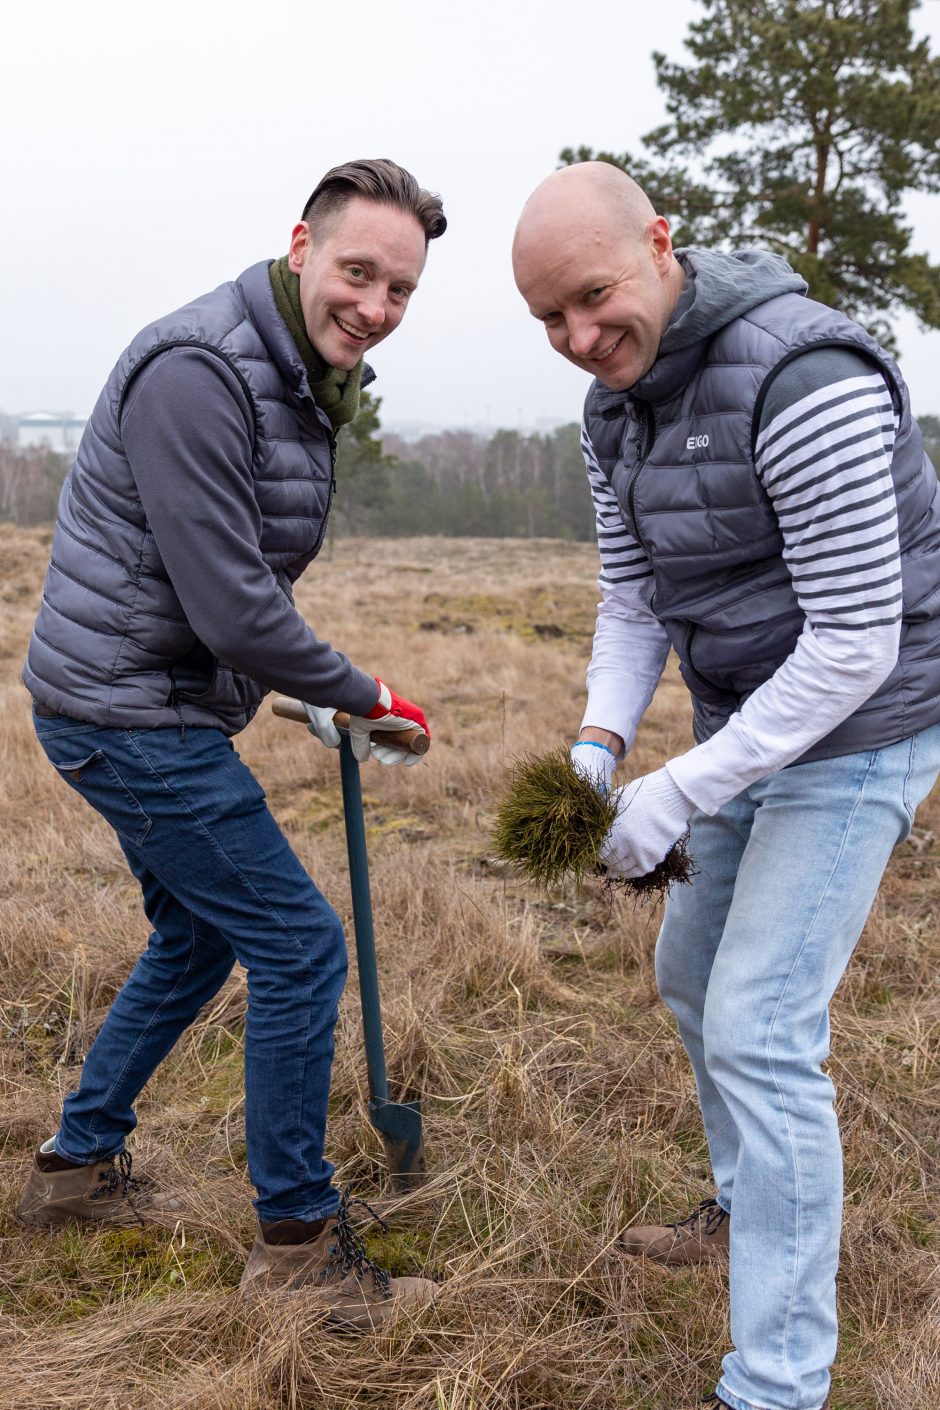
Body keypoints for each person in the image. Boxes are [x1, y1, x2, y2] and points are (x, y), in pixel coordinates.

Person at [512, 161, 940, 1410]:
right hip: (748, 718)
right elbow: (634, 591)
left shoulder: (803, 379)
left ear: (658, 242)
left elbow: (858, 642)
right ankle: (745, 1206)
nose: (581, 339)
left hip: (866, 728)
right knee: (689, 976)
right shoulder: (615, 409)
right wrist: (602, 744)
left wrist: (683, 787)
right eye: (550, 321)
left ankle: (777, 1379)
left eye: (593, 298)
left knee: (759, 1025)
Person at [18, 158, 445, 1327]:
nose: (375, 304)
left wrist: (307, 695)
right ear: (301, 246)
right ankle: (298, 1249)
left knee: (201, 935)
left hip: (142, 699)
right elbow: (231, 606)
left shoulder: (289, 373)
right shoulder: (204, 373)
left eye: (400, 289)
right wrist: (361, 690)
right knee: (301, 947)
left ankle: (73, 1166)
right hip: (126, 714)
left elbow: (236, 583)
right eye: (358, 271)